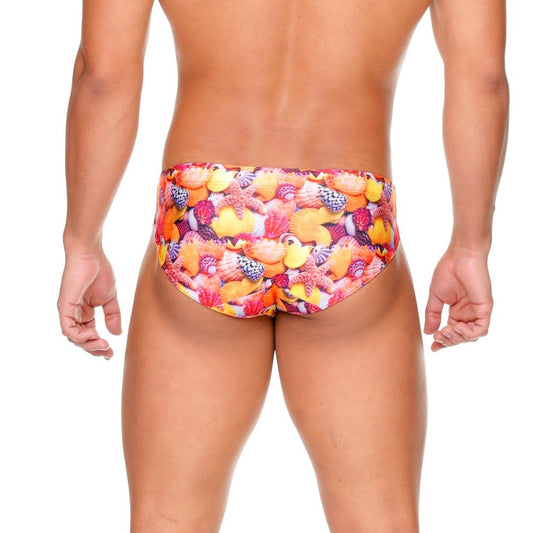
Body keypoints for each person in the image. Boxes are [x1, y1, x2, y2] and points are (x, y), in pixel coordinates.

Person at [57, 0, 509, 530]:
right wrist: (471, 245)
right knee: (379, 517)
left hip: (206, 214)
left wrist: (82, 242)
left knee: (167, 517)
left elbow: (102, 77)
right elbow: (482, 79)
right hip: (345, 222)